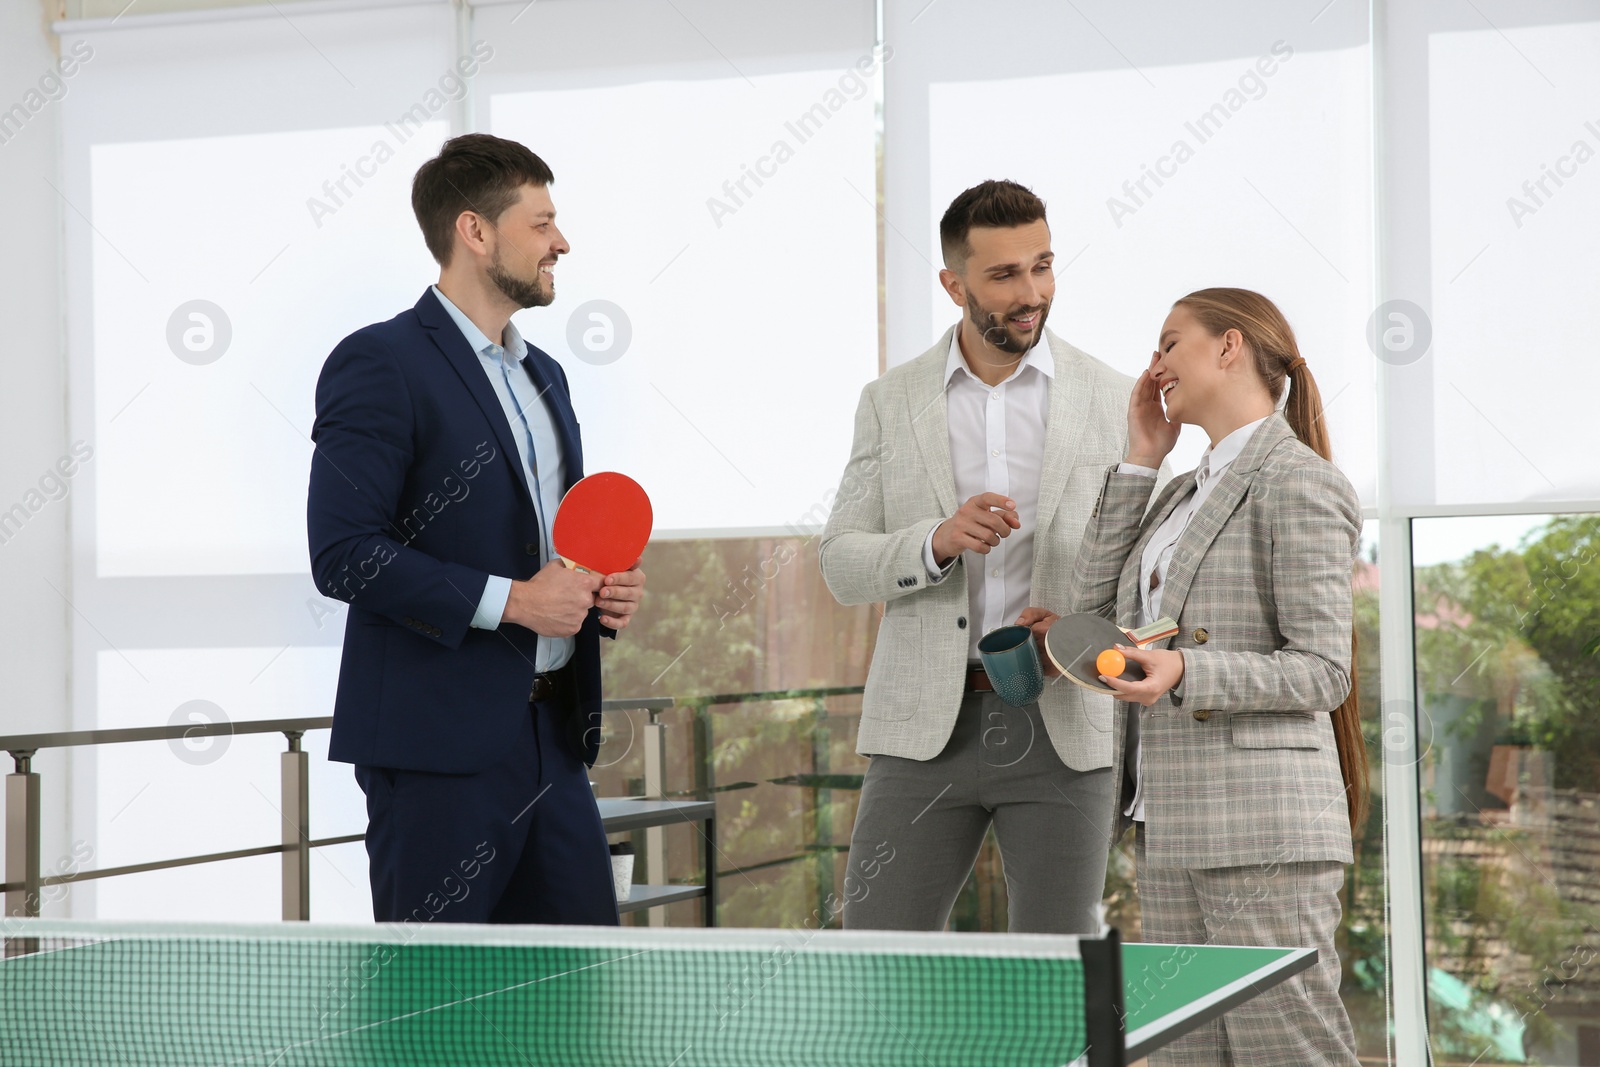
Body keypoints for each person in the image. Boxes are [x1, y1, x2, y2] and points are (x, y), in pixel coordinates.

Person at [306, 134, 645, 926]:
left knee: (580, 997)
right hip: (434, 756)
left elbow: (550, 552)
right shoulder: (380, 362)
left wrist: (599, 591)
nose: (561, 241)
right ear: (475, 231)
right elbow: (344, 555)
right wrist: (517, 603)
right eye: (542, 222)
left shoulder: (545, 376)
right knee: (436, 1013)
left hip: (553, 743)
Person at [1028, 287, 1364, 1064]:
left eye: (1170, 342)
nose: (1156, 364)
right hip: (1170, 821)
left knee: (1288, 1049)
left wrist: (1185, 668)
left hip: (1260, 828)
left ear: (1229, 346)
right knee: (1182, 1056)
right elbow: (1088, 617)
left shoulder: (1299, 480)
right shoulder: (1182, 489)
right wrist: (1141, 459)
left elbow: (1323, 671)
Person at [819, 180, 1163, 933]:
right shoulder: (892, 399)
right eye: (1005, 274)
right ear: (954, 284)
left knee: (1056, 972)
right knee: (878, 958)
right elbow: (840, 561)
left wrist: (1080, 629)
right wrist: (934, 542)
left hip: (1064, 721)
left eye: (1041, 266)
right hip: (921, 729)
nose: (1031, 291)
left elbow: (1155, 575)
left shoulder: (1113, 400)